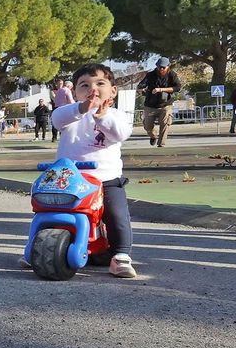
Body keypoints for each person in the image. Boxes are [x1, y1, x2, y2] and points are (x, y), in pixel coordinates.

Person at [52, 63, 137, 278]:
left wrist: (101, 115)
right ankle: (42, 244)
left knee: (116, 215)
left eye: (100, 83)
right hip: (70, 180)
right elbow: (57, 120)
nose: (93, 89)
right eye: (84, 85)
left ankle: (121, 255)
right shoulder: (70, 114)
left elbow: (119, 134)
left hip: (106, 179)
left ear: (113, 91)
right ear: (74, 92)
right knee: (54, 213)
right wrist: (81, 108)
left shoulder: (117, 115)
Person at [140, 58, 181, 147]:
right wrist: (142, 89)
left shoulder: (172, 75)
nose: (161, 69)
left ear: (168, 66)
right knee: (148, 126)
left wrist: (161, 89)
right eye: (159, 67)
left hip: (165, 105)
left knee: (165, 123)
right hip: (150, 105)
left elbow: (177, 87)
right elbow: (141, 85)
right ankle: (153, 136)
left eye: (163, 67)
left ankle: (161, 143)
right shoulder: (150, 75)